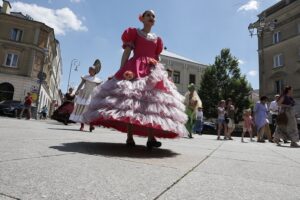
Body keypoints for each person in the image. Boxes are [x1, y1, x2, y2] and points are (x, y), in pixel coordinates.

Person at [83, 10, 188, 149]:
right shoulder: (134, 33)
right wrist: (121, 69)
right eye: (148, 15)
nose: (152, 17)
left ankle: (151, 138)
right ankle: (130, 137)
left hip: (151, 70)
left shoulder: (157, 40)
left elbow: (157, 58)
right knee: (130, 102)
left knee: (151, 103)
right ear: (142, 18)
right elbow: (127, 52)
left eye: (154, 16)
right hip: (135, 68)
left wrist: (161, 71)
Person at [70, 59, 102, 132]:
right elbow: (81, 84)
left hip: (91, 96)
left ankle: (91, 125)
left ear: (95, 71)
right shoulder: (85, 77)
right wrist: (77, 91)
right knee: (82, 110)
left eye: (91, 70)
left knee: (90, 111)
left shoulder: (97, 80)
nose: (89, 71)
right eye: (89, 70)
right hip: (84, 95)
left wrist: (100, 95)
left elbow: (99, 88)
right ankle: (82, 126)